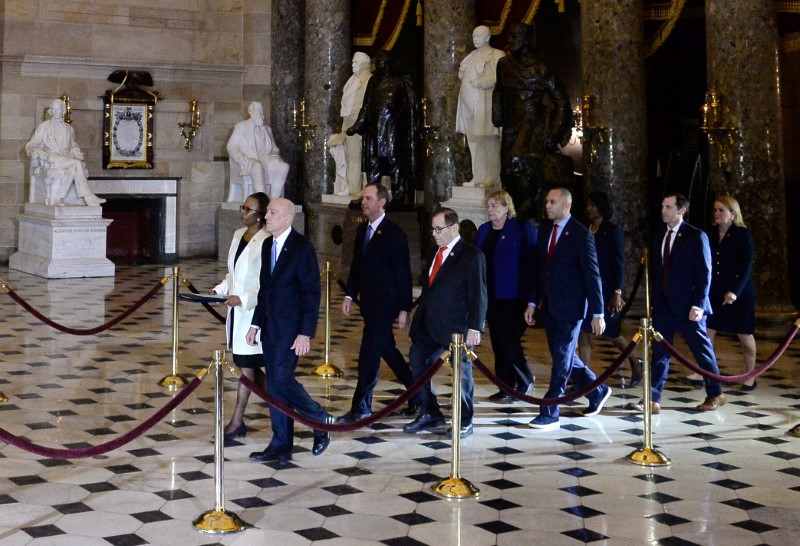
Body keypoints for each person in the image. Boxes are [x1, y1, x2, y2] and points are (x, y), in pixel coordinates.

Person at [245, 198, 333, 463]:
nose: (267, 216)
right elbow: (265, 289)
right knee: (274, 385)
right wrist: (255, 323)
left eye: (272, 212)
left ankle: (320, 419)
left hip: (292, 330)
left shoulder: (301, 248)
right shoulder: (267, 245)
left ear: (287, 218)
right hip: (271, 327)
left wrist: (305, 332)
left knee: (282, 381)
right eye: (267, 211)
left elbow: (311, 293)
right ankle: (281, 443)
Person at [628, 193, 725, 414]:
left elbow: (704, 272)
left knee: (701, 351)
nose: (663, 210)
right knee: (659, 352)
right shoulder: (658, 236)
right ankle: (653, 399)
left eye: (668, 207)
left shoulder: (695, 236)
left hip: (690, 305)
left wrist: (699, 304)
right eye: (662, 206)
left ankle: (716, 393)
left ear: (681, 210)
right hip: (664, 306)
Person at [524, 188, 611, 430]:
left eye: (552, 202)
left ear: (566, 206)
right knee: (565, 357)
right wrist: (533, 301)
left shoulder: (582, 235)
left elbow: (593, 277)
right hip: (550, 306)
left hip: (572, 308)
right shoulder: (545, 231)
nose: (547, 206)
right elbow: (539, 270)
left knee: (562, 357)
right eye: (546, 201)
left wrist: (598, 312)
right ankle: (597, 391)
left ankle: (551, 410)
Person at [404, 208, 487, 438]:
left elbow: (479, 294)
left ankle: (465, 419)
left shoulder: (472, 256)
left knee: (462, 374)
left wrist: (475, 327)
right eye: (433, 229)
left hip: (457, 329)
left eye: (439, 229)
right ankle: (430, 411)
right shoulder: (434, 251)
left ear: (454, 228)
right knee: (417, 360)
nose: (434, 234)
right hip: (429, 325)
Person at [338, 183, 416, 423]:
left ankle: (361, 407)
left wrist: (405, 307)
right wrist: (350, 294)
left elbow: (404, 274)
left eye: (369, 199)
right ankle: (420, 396)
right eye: (363, 198)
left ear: (382, 202)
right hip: (369, 304)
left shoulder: (394, 234)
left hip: (386, 304)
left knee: (368, 355)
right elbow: (357, 267)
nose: (364, 203)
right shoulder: (363, 231)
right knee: (387, 351)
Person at [492, 23, 573, 219]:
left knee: (522, 172)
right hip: (510, 128)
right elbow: (499, 90)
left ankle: (529, 221)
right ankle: (516, 224)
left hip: (530, 129)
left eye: (515, 37)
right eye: (509, 37)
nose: (510, 41)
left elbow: (561, 100)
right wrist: (497, 112)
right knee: (507, 176)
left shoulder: (539, 69)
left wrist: (553, 135)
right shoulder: (504, 65)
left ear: (527, 41)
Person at [211, 192, 269, 446]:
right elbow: (233, 274)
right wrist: (219, 290)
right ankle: (287, 406)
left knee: (246, 367)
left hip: (253, 312)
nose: (243, 213)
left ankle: (236, 421)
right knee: (250, 366)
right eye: (242, 208)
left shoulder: (267, 241)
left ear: (261, 214)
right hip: (237, 315)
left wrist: (243, 299)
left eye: (248, 209)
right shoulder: (237, 235)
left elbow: (265, 284)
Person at [684, 196, 757, 390]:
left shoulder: (742, 234)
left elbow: (746, 266)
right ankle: (704, 371)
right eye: (715, 210)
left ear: (733, 214)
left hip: (739, 292)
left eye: (722, 210)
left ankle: (750, 374)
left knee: (744, 334)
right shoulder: (709, 233)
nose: (717, 214)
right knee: (707, 332)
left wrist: (734, 291)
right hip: (714, 290)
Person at [475, 190, 536, 402]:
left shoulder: (520, 228)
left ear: (506, 207)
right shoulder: (483, 230)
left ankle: (525, 379)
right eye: (488, 206)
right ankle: (505, 385)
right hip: (491, 295)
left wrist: (532, 299)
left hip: (515, 295)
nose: (490, 210)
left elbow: (531, 264)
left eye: (494, 206)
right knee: (497, 342)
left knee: (509, 340)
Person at [577, 192, 643, 388]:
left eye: (593, 205)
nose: (589, 208)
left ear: (601, 207)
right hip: (586, 287)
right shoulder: (585, 229)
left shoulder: (612, 231)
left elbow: (619, 263)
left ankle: (634, 361)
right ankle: (585, 376)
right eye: (588, 204)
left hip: (605, 288)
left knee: (611, 332)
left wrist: (617, 292)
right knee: (583, 330)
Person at [346, 50, 420, 207]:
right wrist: (357, 125)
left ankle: (398, 196)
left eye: (380, 60)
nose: (378, 63)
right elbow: (366, 106)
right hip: (374, 132)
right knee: (374, 165)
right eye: (377, 60)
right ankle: (369, 198)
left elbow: (409, 110)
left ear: (387, 62)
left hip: (393, 132)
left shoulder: (400, 81)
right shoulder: (373, 81)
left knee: (395, 164)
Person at [25, 98, 106, 207]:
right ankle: (89, 197)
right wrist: (39, 152)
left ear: (63, 111)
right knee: (76, 164)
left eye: (58, 110)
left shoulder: (69, 128)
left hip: (64, 158)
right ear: (51, 110)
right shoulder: (44, 126)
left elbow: (73, 145)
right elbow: (30, 146)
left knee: (72, 168)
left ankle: (57, 198)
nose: (55, 112)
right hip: (51, 158)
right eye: (53, 109)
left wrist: (76, 151)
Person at [456, 25, 504, 188]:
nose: (474, 39)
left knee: (489, 143)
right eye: (473, 36)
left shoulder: (497, 55)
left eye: (478, 36)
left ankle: (492, 177)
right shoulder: (471, 56)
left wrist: (481, 82)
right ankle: (478, 177)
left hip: (485, 105)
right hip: (469, 108)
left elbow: (500, 76)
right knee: (474, 143)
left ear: (487, 37)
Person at [329, 52, 372, 197]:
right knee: (349, 154)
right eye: (353, 62)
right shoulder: (352, 80)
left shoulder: (369, 80)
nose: (352, 65)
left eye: (355, 63)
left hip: (360, 122)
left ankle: (358, 189)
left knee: (358, 156)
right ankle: (352, 186)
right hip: (348, 120)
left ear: (364, 65)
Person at [226, 101, 289, 201]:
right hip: (249, 161)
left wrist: (274, 157)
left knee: (283, 166)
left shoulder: (267, 129)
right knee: (257, 165)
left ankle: (273, 200)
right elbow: (231, 146)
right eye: (257, 110)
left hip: (267, 161)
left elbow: (274, 149)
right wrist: (241, 159)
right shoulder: (241, 127)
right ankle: (262, 201)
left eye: (261, 111)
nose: (260, 113)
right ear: (250, 111)